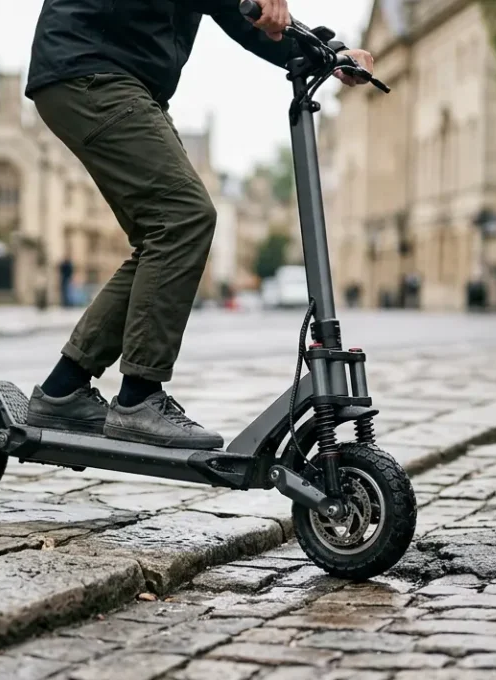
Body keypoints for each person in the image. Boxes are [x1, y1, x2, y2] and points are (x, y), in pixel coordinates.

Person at [23, 0, 376, 450]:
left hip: (119, 78)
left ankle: (62, 391)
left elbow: (245, 18)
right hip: (88, 67)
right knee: (183, 217)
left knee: (168, 231)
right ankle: (138, 400)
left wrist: (329, 52)